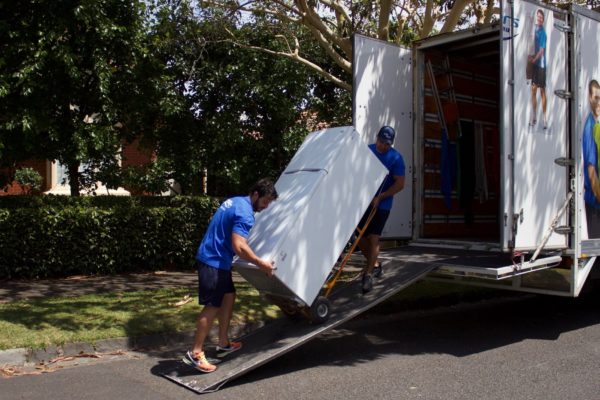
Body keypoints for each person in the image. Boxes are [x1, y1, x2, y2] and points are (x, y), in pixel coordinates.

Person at [183, 178, 278, 373]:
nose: (266, 206)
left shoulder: (235, 201)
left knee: (229, 295)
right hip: (214, 261)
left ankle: (223, 343)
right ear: (255, 194)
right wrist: (262, 264)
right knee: (212, 307)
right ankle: (195, 353)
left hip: (217, 259)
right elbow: (239, 246)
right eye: (265, 201)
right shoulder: (245, 213)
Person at [357, 126, 405, 293]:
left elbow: (400, 183)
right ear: (376, 137)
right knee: (358, 236)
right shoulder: (367, 150)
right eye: (381, 141)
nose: (383, 146)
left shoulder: (396, 158)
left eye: (387, 144)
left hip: (382, 204)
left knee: (373, 237)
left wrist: (381, 197)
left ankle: (368, 276)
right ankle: (375, 264)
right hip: (364, 203)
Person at [582, 80, 600, 237]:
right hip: (594, 203)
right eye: (595, 97)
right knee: (596, 254)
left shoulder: (596, 124)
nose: (598, 102)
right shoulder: (589, 127)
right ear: (589, 98)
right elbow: (591, 170)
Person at [529, 8, 548, 130]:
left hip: (540, 64)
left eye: (541, 17)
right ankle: (534, 116)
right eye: (538, 17)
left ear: (543, 19)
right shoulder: (534, 29)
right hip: (534, 64)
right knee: (533, 90)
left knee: (542, 91)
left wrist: (534, 60)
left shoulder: (543, 33)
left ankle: (545, 118)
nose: (539, 19)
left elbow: (542, 51)